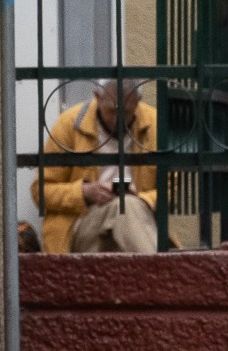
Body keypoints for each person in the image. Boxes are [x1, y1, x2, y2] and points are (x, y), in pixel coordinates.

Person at [31, 80, 159, 254]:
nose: (118, 120)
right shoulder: (70, 123)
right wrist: (85, 192)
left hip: (136, 220)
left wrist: (141, 198)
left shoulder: (154, 124)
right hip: (83, 222)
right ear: (97, 97)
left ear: (138, 102)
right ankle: (157, 274)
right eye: (112, 111)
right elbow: (40, 192)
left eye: (126, 112)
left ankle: (150, 272)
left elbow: (172, 191)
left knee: (126, 205)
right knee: (124, 206)